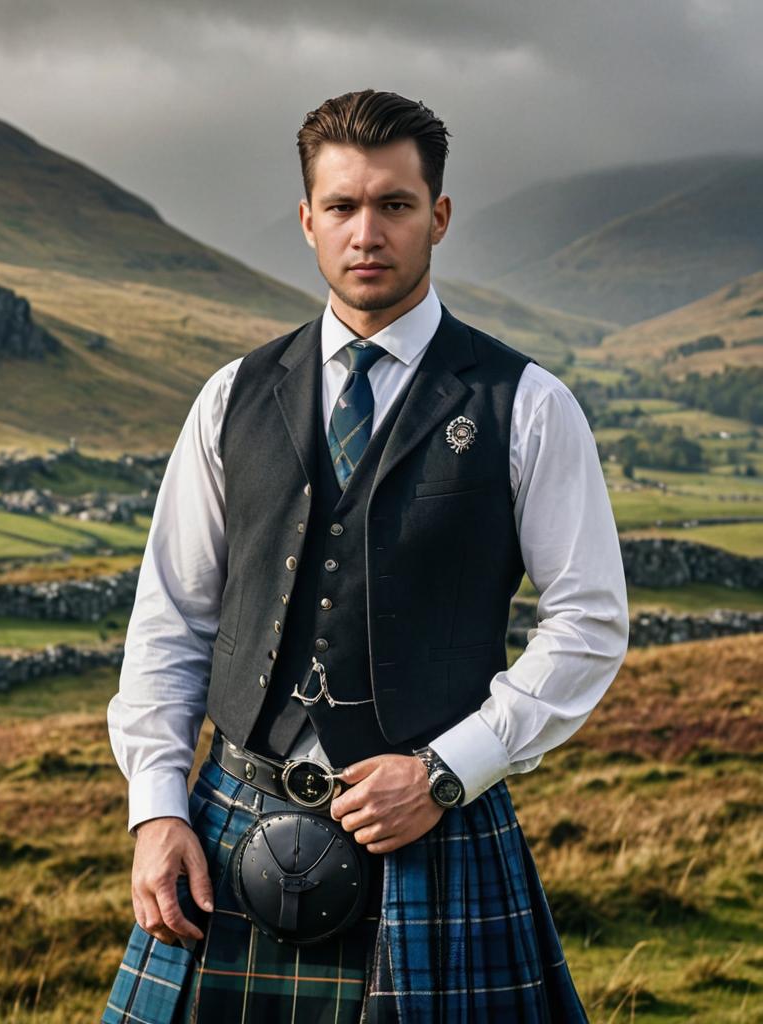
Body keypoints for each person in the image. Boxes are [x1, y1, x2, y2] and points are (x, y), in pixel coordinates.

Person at [101, 89, 628, 1023]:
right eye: (343, 207)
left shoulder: (527, 404)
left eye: (395, 205)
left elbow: (588, 623)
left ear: (440, 217)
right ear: (308, 221)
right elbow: (173, 618)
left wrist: (441, 770)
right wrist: (157, 808)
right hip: (231, 822)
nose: (367, 232)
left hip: (436, 830)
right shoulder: (232, 396)